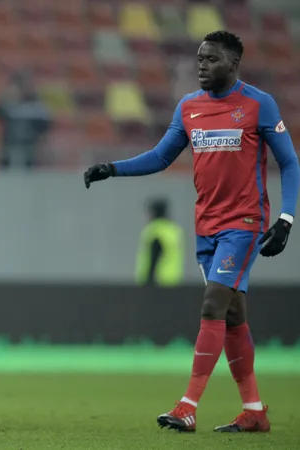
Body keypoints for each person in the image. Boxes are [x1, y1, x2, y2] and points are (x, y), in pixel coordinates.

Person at [83, 30, 300, 433]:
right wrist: (112, 168)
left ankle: (187, 406)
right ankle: (253, 409)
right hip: (207, 227)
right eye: (199, 58)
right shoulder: (189, 107)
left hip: (244, 223)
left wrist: (285, 220)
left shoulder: (259, 104)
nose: (201, 65)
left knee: (212, 305)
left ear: (233, 63)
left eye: (211, 59)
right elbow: (160, 157)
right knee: (233, 317)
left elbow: (289, 163)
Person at [134, 198, 184, 287]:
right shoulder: (173, 230)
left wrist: (148, 280)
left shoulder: (155, 230)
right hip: (173, 280)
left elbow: (154, 256)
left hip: (156, 282)